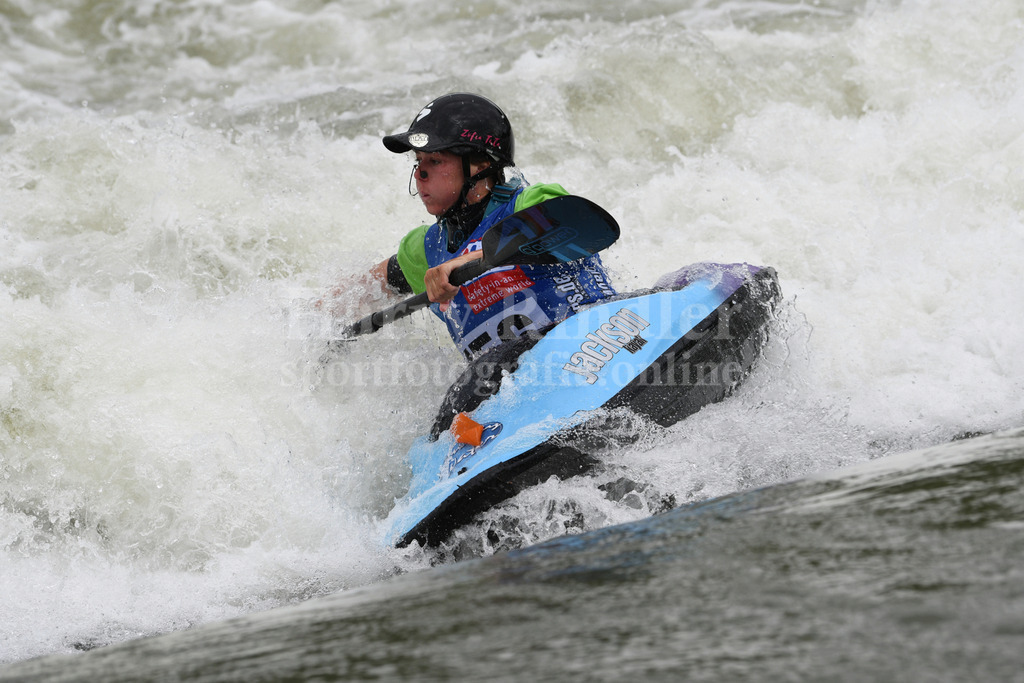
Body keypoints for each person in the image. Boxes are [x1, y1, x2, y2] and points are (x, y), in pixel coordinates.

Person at [368, 92, 616, 361]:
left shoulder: (530, 203)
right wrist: (322, 321)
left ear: (480, 166)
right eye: (419, 161)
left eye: (435, 161)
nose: (419, 174)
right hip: (512, 384)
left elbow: (579, 221)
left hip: (597, 345)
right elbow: (366, 287)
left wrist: (467, 261)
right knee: (461, 399)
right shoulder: (426, 250)